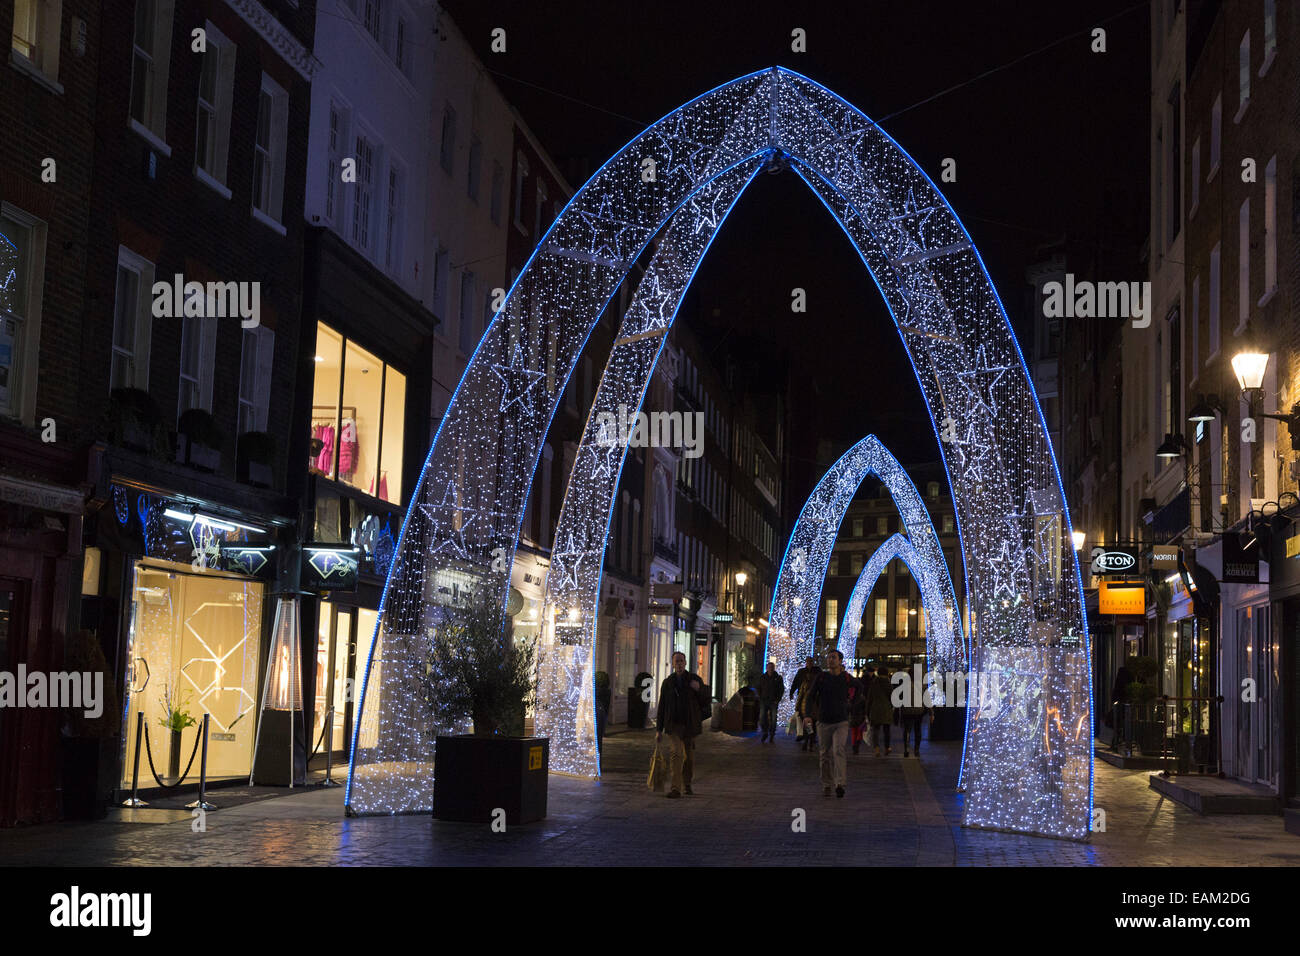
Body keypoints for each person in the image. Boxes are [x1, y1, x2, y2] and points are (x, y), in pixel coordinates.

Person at [804, 650, 860, 797]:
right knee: (824, 754)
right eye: (829, 658)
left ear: (840, 661)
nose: (830, 660)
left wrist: (852, 704)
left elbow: (859, 687)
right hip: (823, 721)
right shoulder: (821, 677)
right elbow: (810, 696)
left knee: (838, 750)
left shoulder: (846, 678)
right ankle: (826, 783)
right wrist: (808, 715)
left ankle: (840, 783)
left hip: (841, 721)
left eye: (833, 658)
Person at [655, 652, 710, 797]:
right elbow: (662, 706)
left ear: (685, 663)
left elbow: (706, 699)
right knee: (676, 754)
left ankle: (687, 784)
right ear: (673, 664)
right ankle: (675, 788)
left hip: (689, 725)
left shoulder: (694, 679)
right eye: (676, 661)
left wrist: (698, 688)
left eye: (681, 661)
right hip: (673, 725)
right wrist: (658, 730)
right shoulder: (668, 683)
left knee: (689, 758)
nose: (679, 664)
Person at [789, 656, 821, 751]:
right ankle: (808, 740)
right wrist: (792, 693)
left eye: (811, 661)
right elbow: (796, 683)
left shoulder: (817, 672)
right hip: (806, 706)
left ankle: (808, 740)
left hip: (813, 705)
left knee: (809, 724)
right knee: (809, 725)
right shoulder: (802, 673)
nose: (809, 663)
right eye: (808, 661)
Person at [897, 668, 929, 757]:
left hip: (907, 711)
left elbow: (899, 698)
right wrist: (931, 712)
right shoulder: (922, 685)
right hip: (919, 711)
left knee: (907, 730)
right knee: (918, 730)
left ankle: (906, 748)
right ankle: (916, 750)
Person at [866, 665, 895, 756]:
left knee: (876, 730)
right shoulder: (889, 684)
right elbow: (892, 697)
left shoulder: (873, 683)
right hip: (886, 709)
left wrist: (867, 711)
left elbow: (869, 698)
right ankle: (887, 748)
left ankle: (877, 748)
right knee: (887, 730)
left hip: (875, 709)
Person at [758, 662, 784, 743]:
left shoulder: (778, 678)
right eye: (769, 667)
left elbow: (781, 689)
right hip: (764, 700)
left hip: (773, 701)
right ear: (767, 668)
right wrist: (760, 697)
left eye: (772, 667)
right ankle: (765, 732)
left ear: (774, 668)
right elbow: (758, 687)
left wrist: (777, 699)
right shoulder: (762, 677)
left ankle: (772, 734)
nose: (770, 669)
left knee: (773, 719)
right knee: (762, 718)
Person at [1110, 665, 1133, 752]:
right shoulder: (1127, 680)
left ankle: (1116, 742)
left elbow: (1116, 691)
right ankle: (1119, 742)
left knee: (1119, 724)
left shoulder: (1120, 681)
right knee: (1121, 724)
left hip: (1120, 704)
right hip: (1123, 705)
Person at [849, 672, 868, 755]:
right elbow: (865, 708)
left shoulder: (851, 697)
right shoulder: (862, 698)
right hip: (861, 717)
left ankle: (854, 746)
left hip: (853, 716)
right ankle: (857, 745)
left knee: (853, 732)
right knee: (859, 732)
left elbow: (849, 708)